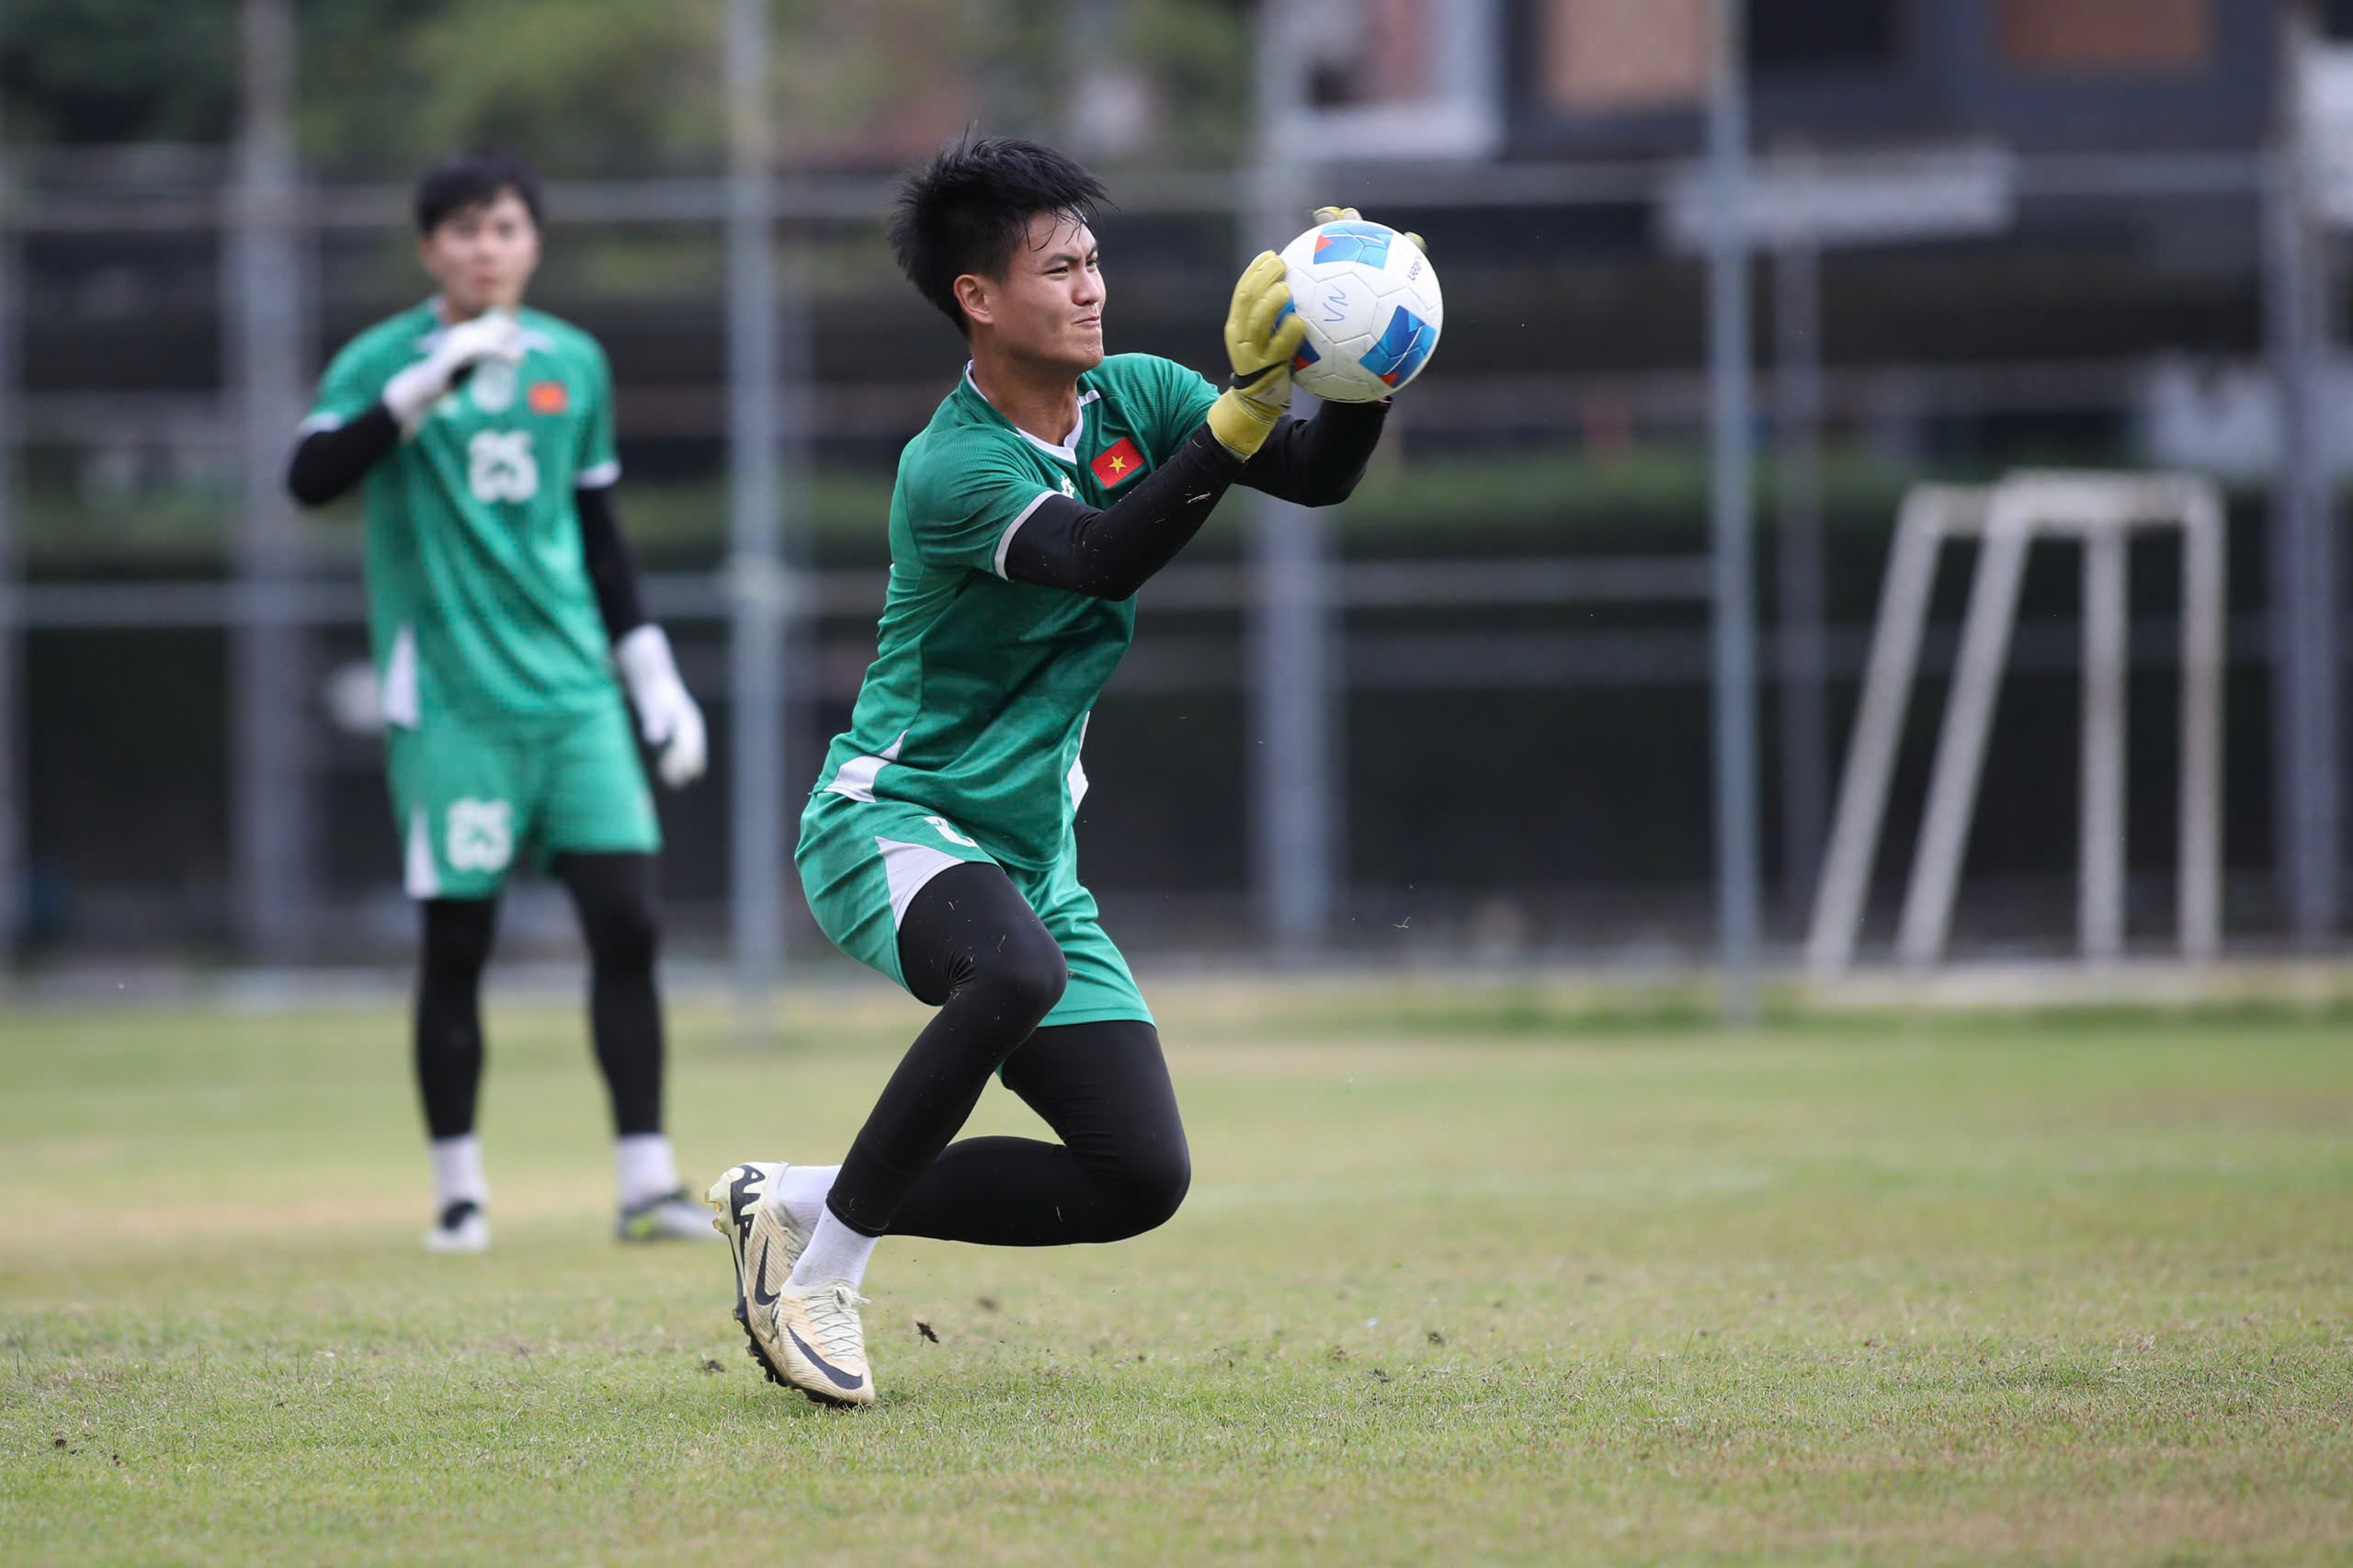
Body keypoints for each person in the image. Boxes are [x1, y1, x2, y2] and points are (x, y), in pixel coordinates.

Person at [705, 135, 1392, 1406]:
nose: (1093, 289)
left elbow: (1311, 475)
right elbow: (1101, 553)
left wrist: (1360, 350)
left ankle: (793, 1200)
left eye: (1095, 262)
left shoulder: (1133, 393)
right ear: (977, 297)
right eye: (1059, 268)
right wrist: (1243, 406)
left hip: (1028, 854)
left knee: (1138, 1174)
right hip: (888, 822)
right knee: (1016, 971)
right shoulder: (951, 466)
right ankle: (819, 1281)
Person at [285, 151, 715, 1253]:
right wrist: (423, 386)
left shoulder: (573, 363)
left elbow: (602, 534)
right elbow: (312, 478)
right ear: (431, 247)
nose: (487, 247)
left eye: (508, 227)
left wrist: (651, 672)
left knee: (628, 921)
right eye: (465, 230)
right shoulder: (383, 359)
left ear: (534, 243)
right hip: (455, 703)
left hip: (574, 696)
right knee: (458, 938)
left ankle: (645, 1179)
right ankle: (460, 1193)